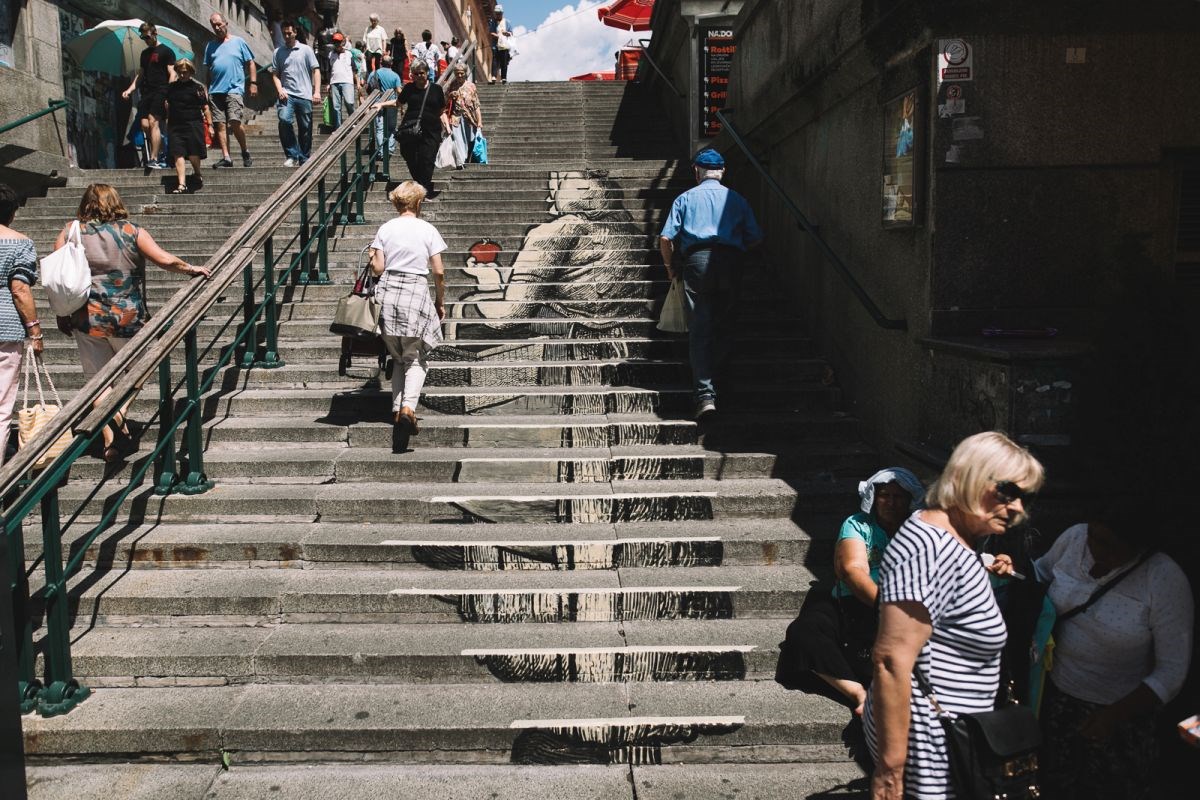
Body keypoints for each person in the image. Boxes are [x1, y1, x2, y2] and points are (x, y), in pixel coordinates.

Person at [864, 431, 1043, 800]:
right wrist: (891, 771)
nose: (1017, 508)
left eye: (1025, 497)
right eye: (1008, 492)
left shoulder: (956, 542)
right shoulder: (927, 546)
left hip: (954, 739)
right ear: (967, 478)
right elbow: (891, 661)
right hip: (929, 748)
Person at [1034, 502, 1194, 800]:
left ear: (1139, 547)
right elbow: (1040, 573)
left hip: (1119, 718)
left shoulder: (1163, 579)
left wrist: (1114, 716)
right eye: (1094, 537)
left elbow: (1172, 672)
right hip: (1055, 700)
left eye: (1111, 546)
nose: (1095, 549)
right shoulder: (1075, 539)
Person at [52, 185, 211, 462]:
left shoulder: (70, 232)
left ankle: (112, 440)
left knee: (98, 382)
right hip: (128, 317)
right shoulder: (132, 231)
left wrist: (60, 314)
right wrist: (190, 268)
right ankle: (120, 415)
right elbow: (164, 259)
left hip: (86, 318)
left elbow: (58, 280)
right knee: (140, 371)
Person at [779, 468, 926, 713]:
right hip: (858, 602)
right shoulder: (858, 524)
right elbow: (852, 569)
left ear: (910, 500)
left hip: (907, 607)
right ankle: (860, 693)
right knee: (804, 632)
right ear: (874, 498)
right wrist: (885, 606)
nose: (890, 502)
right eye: (884, 495)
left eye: (898, 497)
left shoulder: (919, 529)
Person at [659, 148, 763, 419]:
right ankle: (724, 386)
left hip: (697, 262)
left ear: (696, 171)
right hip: (730, 261)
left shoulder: (685, 198)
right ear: (723, 172)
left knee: (701, 327)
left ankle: (706, 396)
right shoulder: (737, 199)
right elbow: (755, 238)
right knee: (726, 324)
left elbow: (666, 239)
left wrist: (671, 268)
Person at [368, 180, 446, 434]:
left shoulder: (386, 228)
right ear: (419, 202)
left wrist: (373, 259)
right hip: (414, 291)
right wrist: (439, 301)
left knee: (398, 357)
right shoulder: (427, 230)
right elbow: (439, 271)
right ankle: (408, 409)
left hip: (389, 293)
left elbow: (378, 268)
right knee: (414, 358)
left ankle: (396, 409)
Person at [0, 184, 41, 467]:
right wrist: (35, 331)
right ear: (13, 212)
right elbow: (20, 290)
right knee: (1, 406)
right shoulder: (20, 243)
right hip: (4, 329)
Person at [375, 61, 449, 196]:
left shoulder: (436, 89)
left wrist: (448, 128)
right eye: (416, 74)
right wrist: (381, 104)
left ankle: (423, 190)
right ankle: (420, 184)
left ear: (427, 73)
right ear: (412, 75)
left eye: (422, 73)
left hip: (431, 131)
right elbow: (398, 103)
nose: (419, 76)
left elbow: (442, 110)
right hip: (410, 130)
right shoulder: (409, 88)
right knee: (410, 156)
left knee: (427, 159)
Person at [203, 13, 256, 168]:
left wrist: (253, 83)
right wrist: (207, 90)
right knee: (219, 124)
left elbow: (251, 63)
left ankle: (244, 150)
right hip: (215, 91)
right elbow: (208, 71)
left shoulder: (239, 42)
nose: (217, 28)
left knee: (234, 121)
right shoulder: (210, 46)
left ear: (226, 23)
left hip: (234, 89)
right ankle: (226, 157)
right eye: (214, 25)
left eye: (219, 24)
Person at [121, 22, 176, 169]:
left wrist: (169, 93)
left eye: (147, 36)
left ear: (155, 33)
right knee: (145, 125)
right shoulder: (144, 54)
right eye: (143, 37)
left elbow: (172, 73)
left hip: (161, 90)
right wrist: (129, 89)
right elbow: (140, 75)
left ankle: (154, 158)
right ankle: (162, 147)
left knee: (153, 121)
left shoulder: (166, 51)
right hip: (147, 92)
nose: (146, 40)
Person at [271, 21, 321, 167]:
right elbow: (275, 74)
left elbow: (316, 70)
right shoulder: (278, 52)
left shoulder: (306, 50)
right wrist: (280, 90)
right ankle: (292, 154)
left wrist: (316, 91)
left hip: (305, 94)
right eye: (284, 33)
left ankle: (304, 157)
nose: (286, 36)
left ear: (295, 33)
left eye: (289, 33)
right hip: (287, 94)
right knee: (284, 120)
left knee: (305, 128)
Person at [164, 60, 211, 194]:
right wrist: (168, 119)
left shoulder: (198, 88)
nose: (182, 75)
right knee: (178, 153)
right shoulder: (171, 88)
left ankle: (197, 172)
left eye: (185, 72)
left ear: (190, 72)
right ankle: (182, 184)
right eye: (180, 72)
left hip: (193, 123)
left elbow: (205, 107)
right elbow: (167, 105)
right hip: (175, 124)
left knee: (193, 153)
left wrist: (210, 125)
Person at [446, 63, 482, 169]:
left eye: (461, 73)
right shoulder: (452, 85)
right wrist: (450, 96)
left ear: (465, 73)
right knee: (457, 139)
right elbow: (445, 102)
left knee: (470, 139)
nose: (459, 76)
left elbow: (476, 105)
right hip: (456, 117)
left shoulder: (471, 86)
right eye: (457, 74)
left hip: (469, 118)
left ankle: (466, 159)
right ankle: (460, 162)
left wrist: (479, 121)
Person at [367, 55, 403, 154]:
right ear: (391, 63)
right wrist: (402, 105)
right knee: (391, 128)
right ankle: (390, 149)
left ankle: (381, 151)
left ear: (381, 62)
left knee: (379, 128)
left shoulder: (374, 73)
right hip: (391, 103)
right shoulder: (395, 75)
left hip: (377, 103)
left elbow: (368, 87)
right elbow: (399, 90)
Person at [327, 33, 360, 129]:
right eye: (335, 42)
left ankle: (353, 123)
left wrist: (357, 83)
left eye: (338, 42)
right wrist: (329, 83)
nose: (336, 44)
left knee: (349, 102)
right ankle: (338, 128)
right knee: (336, 107)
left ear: (343, 42)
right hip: (334, 82)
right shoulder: (330, 54)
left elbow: (355, 70)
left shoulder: (349, 54)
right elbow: (330, 70)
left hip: (347, 81)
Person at [488, 5, 512, 84]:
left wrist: (506, 33)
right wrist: (497, 36)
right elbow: (491, 32)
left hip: (504, 45)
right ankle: (494, 76)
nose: (497, 15)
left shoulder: (507, 22)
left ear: (502, 13)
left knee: (504, 61)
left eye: (499, 13)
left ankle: (503, 77)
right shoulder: (493, 22)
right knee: (495, 59)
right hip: (496, 45)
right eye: (496, 13)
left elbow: (511, 33)